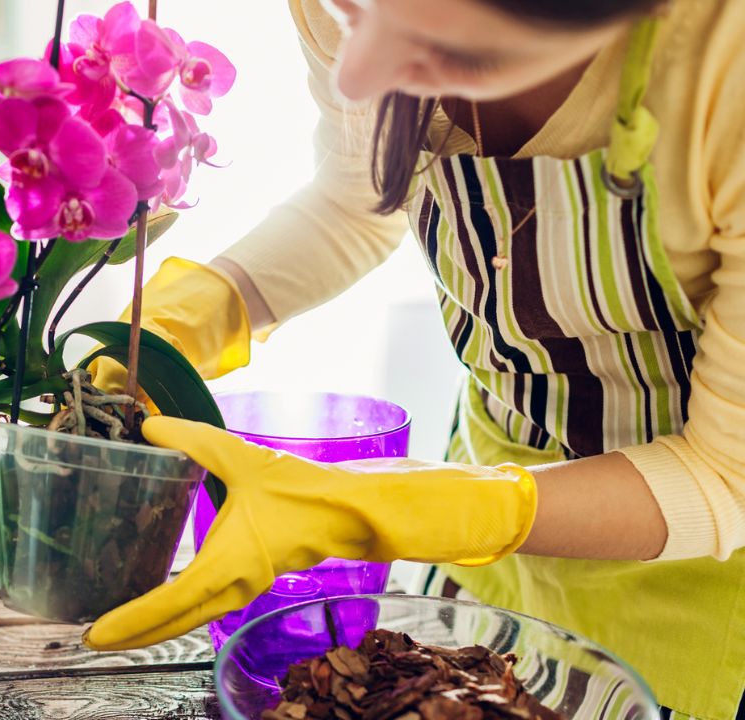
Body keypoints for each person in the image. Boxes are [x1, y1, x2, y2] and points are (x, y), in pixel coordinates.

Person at [80, 0, 745, 717]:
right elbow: (355, 198)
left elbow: (724, 473)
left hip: (696, 595)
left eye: (430, 37)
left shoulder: (724, 67)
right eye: (351, 11)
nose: (357, 70)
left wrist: (398, 502)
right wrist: (199, 314)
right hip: (491, 564)